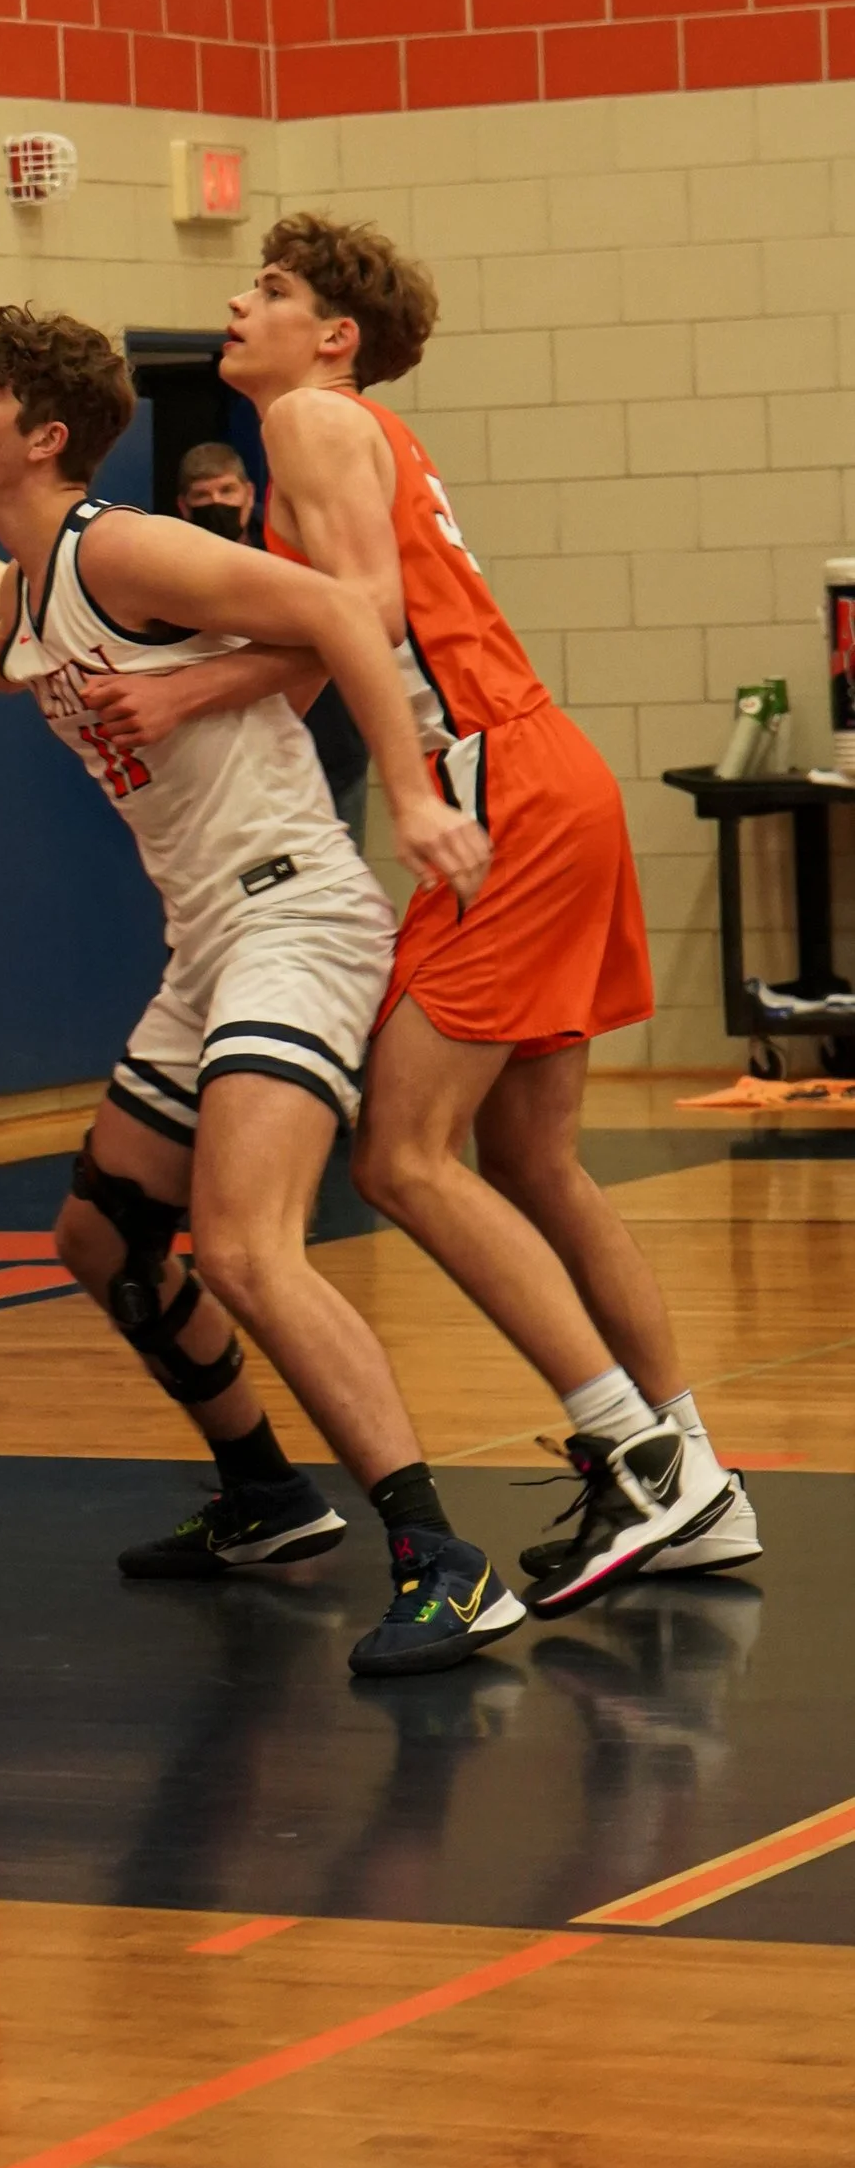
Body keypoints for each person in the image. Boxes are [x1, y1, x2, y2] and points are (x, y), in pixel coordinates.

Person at [0, 304, 527, 1681]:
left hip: (295, 916)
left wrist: (419, 798)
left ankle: (444, 1557)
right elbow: (0, 660)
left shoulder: (118, 545)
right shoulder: (33, 587)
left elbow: (334, 612)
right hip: (210, 943)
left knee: (247, 1246)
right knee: (100, 1238)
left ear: (46, 433)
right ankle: (265, 1494)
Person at [213, 214, 751, 1602]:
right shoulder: (354, 434)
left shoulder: (309, 421)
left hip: (501, 779)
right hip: (546, 767)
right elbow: (347, 622)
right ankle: (692, 1469)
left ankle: (643, 1461)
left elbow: (366, 612)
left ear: (334, 336)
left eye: (267, 290)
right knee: (534, 1157)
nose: (237, 303)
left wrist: (400, 788)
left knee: (402, 1153)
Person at [176, 441, 367, 841]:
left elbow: (351, 622)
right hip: (236, 762)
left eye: (226, 491)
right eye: (203, 496)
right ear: (184, 506)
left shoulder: (292, 550)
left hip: (330, 749)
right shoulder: (174, 570)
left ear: (248, 493)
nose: (217, 503)